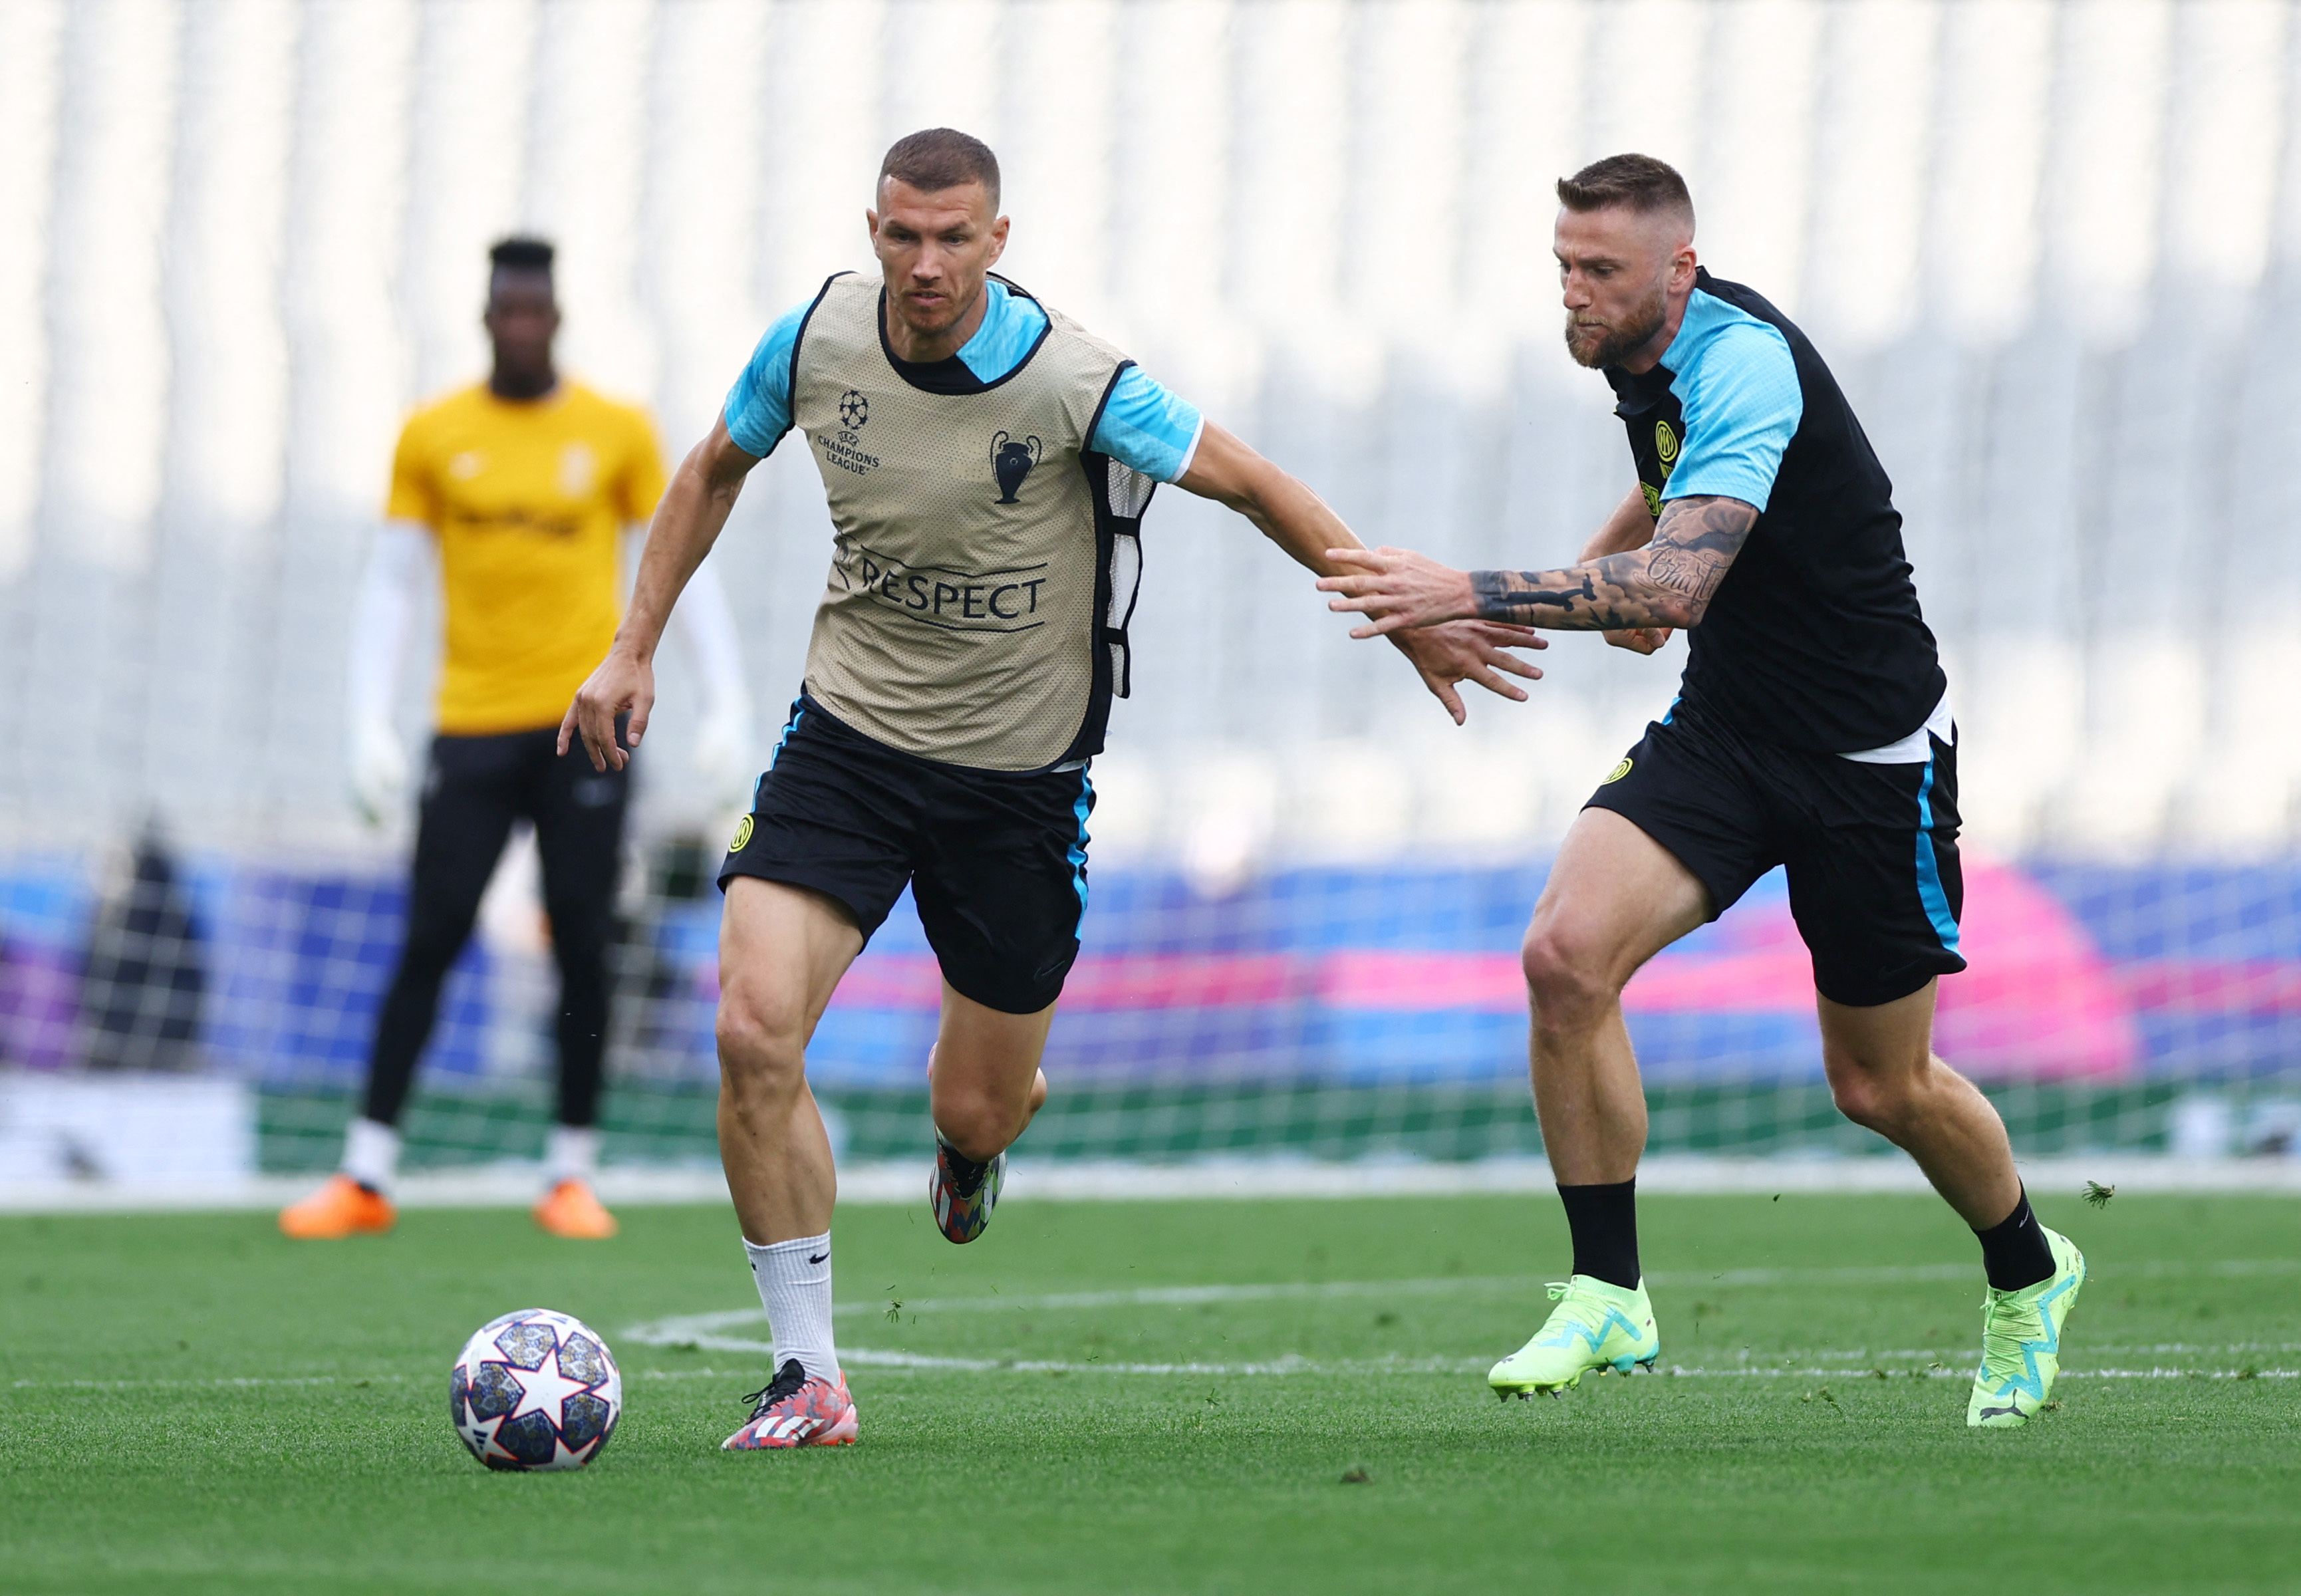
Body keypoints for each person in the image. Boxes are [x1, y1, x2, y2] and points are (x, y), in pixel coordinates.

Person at [563, 129, 1539, 1449]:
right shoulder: (811, 345)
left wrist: (1397, 609)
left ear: (996, 241)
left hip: (1016, 790)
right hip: (845, 746)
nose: (924, 264)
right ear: (871, 229)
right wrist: (631, 648)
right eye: (902, 236)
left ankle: (972, 1154)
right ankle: (809, 1375)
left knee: (973, 1101)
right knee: (750, 1029)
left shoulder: (1072, 379)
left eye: (952, 238)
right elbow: (707, 473)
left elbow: (1252, 483)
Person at [1317, 154, 2084, 1429]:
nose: (1574, 291)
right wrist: (1606, 556)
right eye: (1563, 264)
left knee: (1881, 1087)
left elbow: (1678, 596)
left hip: (1864, 757)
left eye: (1601, 270)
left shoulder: (1743, 357)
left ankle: (2029, 1269)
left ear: (1680, 266)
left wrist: (1476, 589)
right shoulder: (1645, 355)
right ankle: (1609, 1290)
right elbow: (1676, 486)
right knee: (1564, 958)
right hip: (1728, 734)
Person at [281, 238, 755, 1242]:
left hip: (585, 725)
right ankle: (365, 1170)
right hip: (469, 725)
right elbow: (393, 581)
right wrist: (366, 719)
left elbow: (682, 561)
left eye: (538, 309)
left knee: (584, 940)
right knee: (433, 933)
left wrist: (725, 698)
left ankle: (571, 1170)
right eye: (509, 310)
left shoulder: (616, 431)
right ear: (489, 317)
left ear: (558, 317)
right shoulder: (433, 435)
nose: (524, 324)